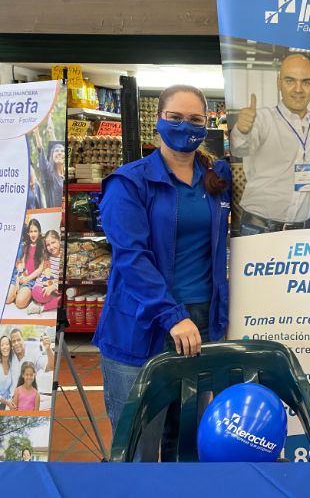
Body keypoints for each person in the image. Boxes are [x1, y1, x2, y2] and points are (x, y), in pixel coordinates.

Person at [94, 84, 231, 461]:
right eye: (175, 117)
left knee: (187, 443)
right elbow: (131, 259)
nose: (185, 126)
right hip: (141, 327)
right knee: (138, 447)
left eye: (195, 119)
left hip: (201, 324)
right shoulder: (129, 183)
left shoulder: (216, 178)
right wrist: (172, 316)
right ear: (158, 120)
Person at [231, 54, 310, 234]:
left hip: (303, 230)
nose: (298, 89)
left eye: (306, 82)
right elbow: (239, 148)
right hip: (259, 228)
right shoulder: (261, 119)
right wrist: (242, 130)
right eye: (290, 81)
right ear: (279, 83)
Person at [8, 219, 45, 310]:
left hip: (31, 279)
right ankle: (19, 292)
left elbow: (40, 269)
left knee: (20, 303)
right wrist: (18, 280)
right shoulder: (26, 246)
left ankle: (28, 294)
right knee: (8, 299)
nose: (33, 234)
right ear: (28, 233)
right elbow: (22, 265)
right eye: (31, 231)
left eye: (35, 231)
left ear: (39, 232)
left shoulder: (42, 246)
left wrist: (27, 279)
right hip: (22, 276)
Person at [26, 230, 62, 316]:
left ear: (59, 240)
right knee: (36, 292)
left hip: (55, 287)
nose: (51, 247)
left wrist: (53, 287)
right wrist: (27, 278)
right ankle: (46, 300)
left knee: (64, 298)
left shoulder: (64, 257)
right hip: (42, 286)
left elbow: (63, 279)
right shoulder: (47, 257)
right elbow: (39, 270)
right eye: (48, 245)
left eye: (53, 242)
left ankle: (42, 307)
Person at [32, 117, 65, 209]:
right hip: (55, 215)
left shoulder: (68, 175)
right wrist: (36, 133)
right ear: (52, 156)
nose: (59, 153)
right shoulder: (49, 175)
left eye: (62, 151)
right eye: (56, 151)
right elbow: (41, 150)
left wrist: (51, 129)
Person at [8, 328, 53, 393]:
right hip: (12, 397)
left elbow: (50, 367)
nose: (16, 343)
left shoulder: (33, 354)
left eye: (18, 340)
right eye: (13, 341)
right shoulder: (9, 356)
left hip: (29, 396)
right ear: (11, 344)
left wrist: (48, 349)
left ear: (23, 339)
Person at [0, 335, 15, 410]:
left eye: (7, 344)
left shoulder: (12, 365)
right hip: (4, 402)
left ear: (10, 346)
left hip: (3, 405)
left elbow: (10, 388)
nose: (5, 347)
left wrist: (10, 400)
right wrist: (7, 402)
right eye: (2, 345)